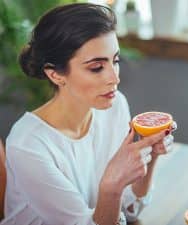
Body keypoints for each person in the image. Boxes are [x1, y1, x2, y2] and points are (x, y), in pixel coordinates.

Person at [2, 3, 176, 225]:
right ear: (55, 75)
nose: (114, 78)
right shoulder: (28, 145)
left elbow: (128, 212)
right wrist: (111, 187)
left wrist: (150, 156)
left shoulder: (115, 106)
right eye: (96, 67)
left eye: (115, 61)